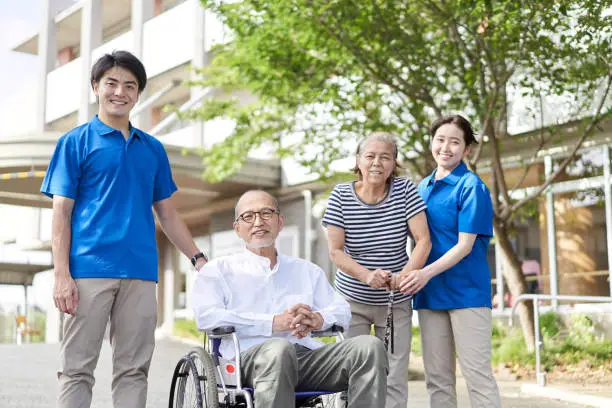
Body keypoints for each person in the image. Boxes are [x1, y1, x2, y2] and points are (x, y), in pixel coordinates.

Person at [40, 50, 209, 408]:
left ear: (138, 93)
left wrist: (197, 258)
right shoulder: (75, 142)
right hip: (86, 272)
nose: (120, 92)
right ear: (95, 87)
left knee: (134, 369)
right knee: (76, 369)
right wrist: (61, 275)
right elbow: (61, 213)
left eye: (130, 85)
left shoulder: (153, 149)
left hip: (141, 273)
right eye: (112, 83)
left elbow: (168, 214)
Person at [192, 190, 388, 408]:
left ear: (280, 222)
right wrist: (273, 323)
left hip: (305, 359)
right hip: (245, 361)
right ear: (237, 228)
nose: (258, 221)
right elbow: (207, 317)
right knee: (279, 348)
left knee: (369, 347)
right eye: (248, 216)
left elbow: (342, 310)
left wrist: (317, 319)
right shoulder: (218, 270)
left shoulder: (306, 270)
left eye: (266, 213)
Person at [322, 131, 431, 408]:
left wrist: (403, 277)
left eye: (385, 157)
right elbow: (335, 251)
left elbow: (423, 241)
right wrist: (366, 275)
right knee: (352, 370)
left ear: (394, 163)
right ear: (358, 161)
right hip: (352, 300)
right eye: (370, 156)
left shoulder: (405, 190)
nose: (377, 163)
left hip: (395, 302)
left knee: (394, 374)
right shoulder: (340, 195)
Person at [399, 115, 501, 407]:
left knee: (477, 376)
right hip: (431, 295)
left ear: (466, 149)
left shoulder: (472, 186)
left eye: (455, 142)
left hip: (467, 293)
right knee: (438, 380)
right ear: (432, 143)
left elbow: (465, 246)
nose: (446, 147)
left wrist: (423, 274)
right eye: (440, 139)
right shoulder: (422, 187)